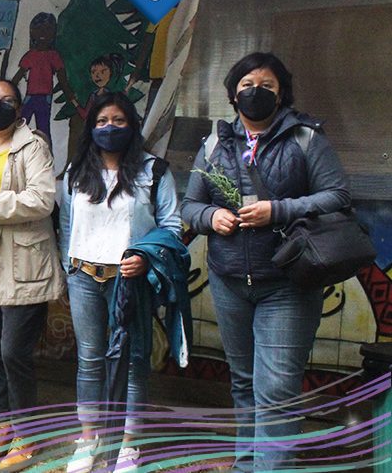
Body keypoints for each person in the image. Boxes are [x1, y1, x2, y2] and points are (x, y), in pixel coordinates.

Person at [181, 52, 350, 473]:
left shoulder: (306, 139)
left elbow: (337, 196)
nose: (255, 92)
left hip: (288, 281)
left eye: (267, 86)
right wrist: (210, 217)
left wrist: (278, 210)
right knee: (243, 382)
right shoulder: (216, 143)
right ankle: (246, 466)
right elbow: (190, 205)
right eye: (247, 85)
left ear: (281, 94)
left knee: (276, 390)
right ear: (232, 94)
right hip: (229, 281)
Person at [58, 93, 183, 473]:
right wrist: (69, 268)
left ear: (132, 126)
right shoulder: (76, 171)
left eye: (118, 121)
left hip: (129, 281)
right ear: (91, 127)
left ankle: (129, 445)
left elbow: (172, 226)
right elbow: (66, 223)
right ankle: (89, 438)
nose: (109, 128)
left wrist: (147, 259)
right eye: (101, 121)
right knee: (89, 359)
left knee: (133, 361)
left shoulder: (154, 171)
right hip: (84, 277)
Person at [0, 78, 65, 470]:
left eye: (6, 100)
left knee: (13, 352)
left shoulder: (32, 147)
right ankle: (2, 427)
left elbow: (42, 200)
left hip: (22, 265)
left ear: (18, 109)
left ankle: (27, 434)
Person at [12, 13, 77, 150]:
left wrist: (70, 95)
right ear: (32, 32)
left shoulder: (53, 55)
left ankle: (47, 156)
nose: (43, 33)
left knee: (43, 129)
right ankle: (15, 152)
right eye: (39, 29)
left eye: (47, 29)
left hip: (44, 97)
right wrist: (8, 91)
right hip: (30, 96)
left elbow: (62, 78)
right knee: (20, 125)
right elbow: (19, 75)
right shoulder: (30, 55)